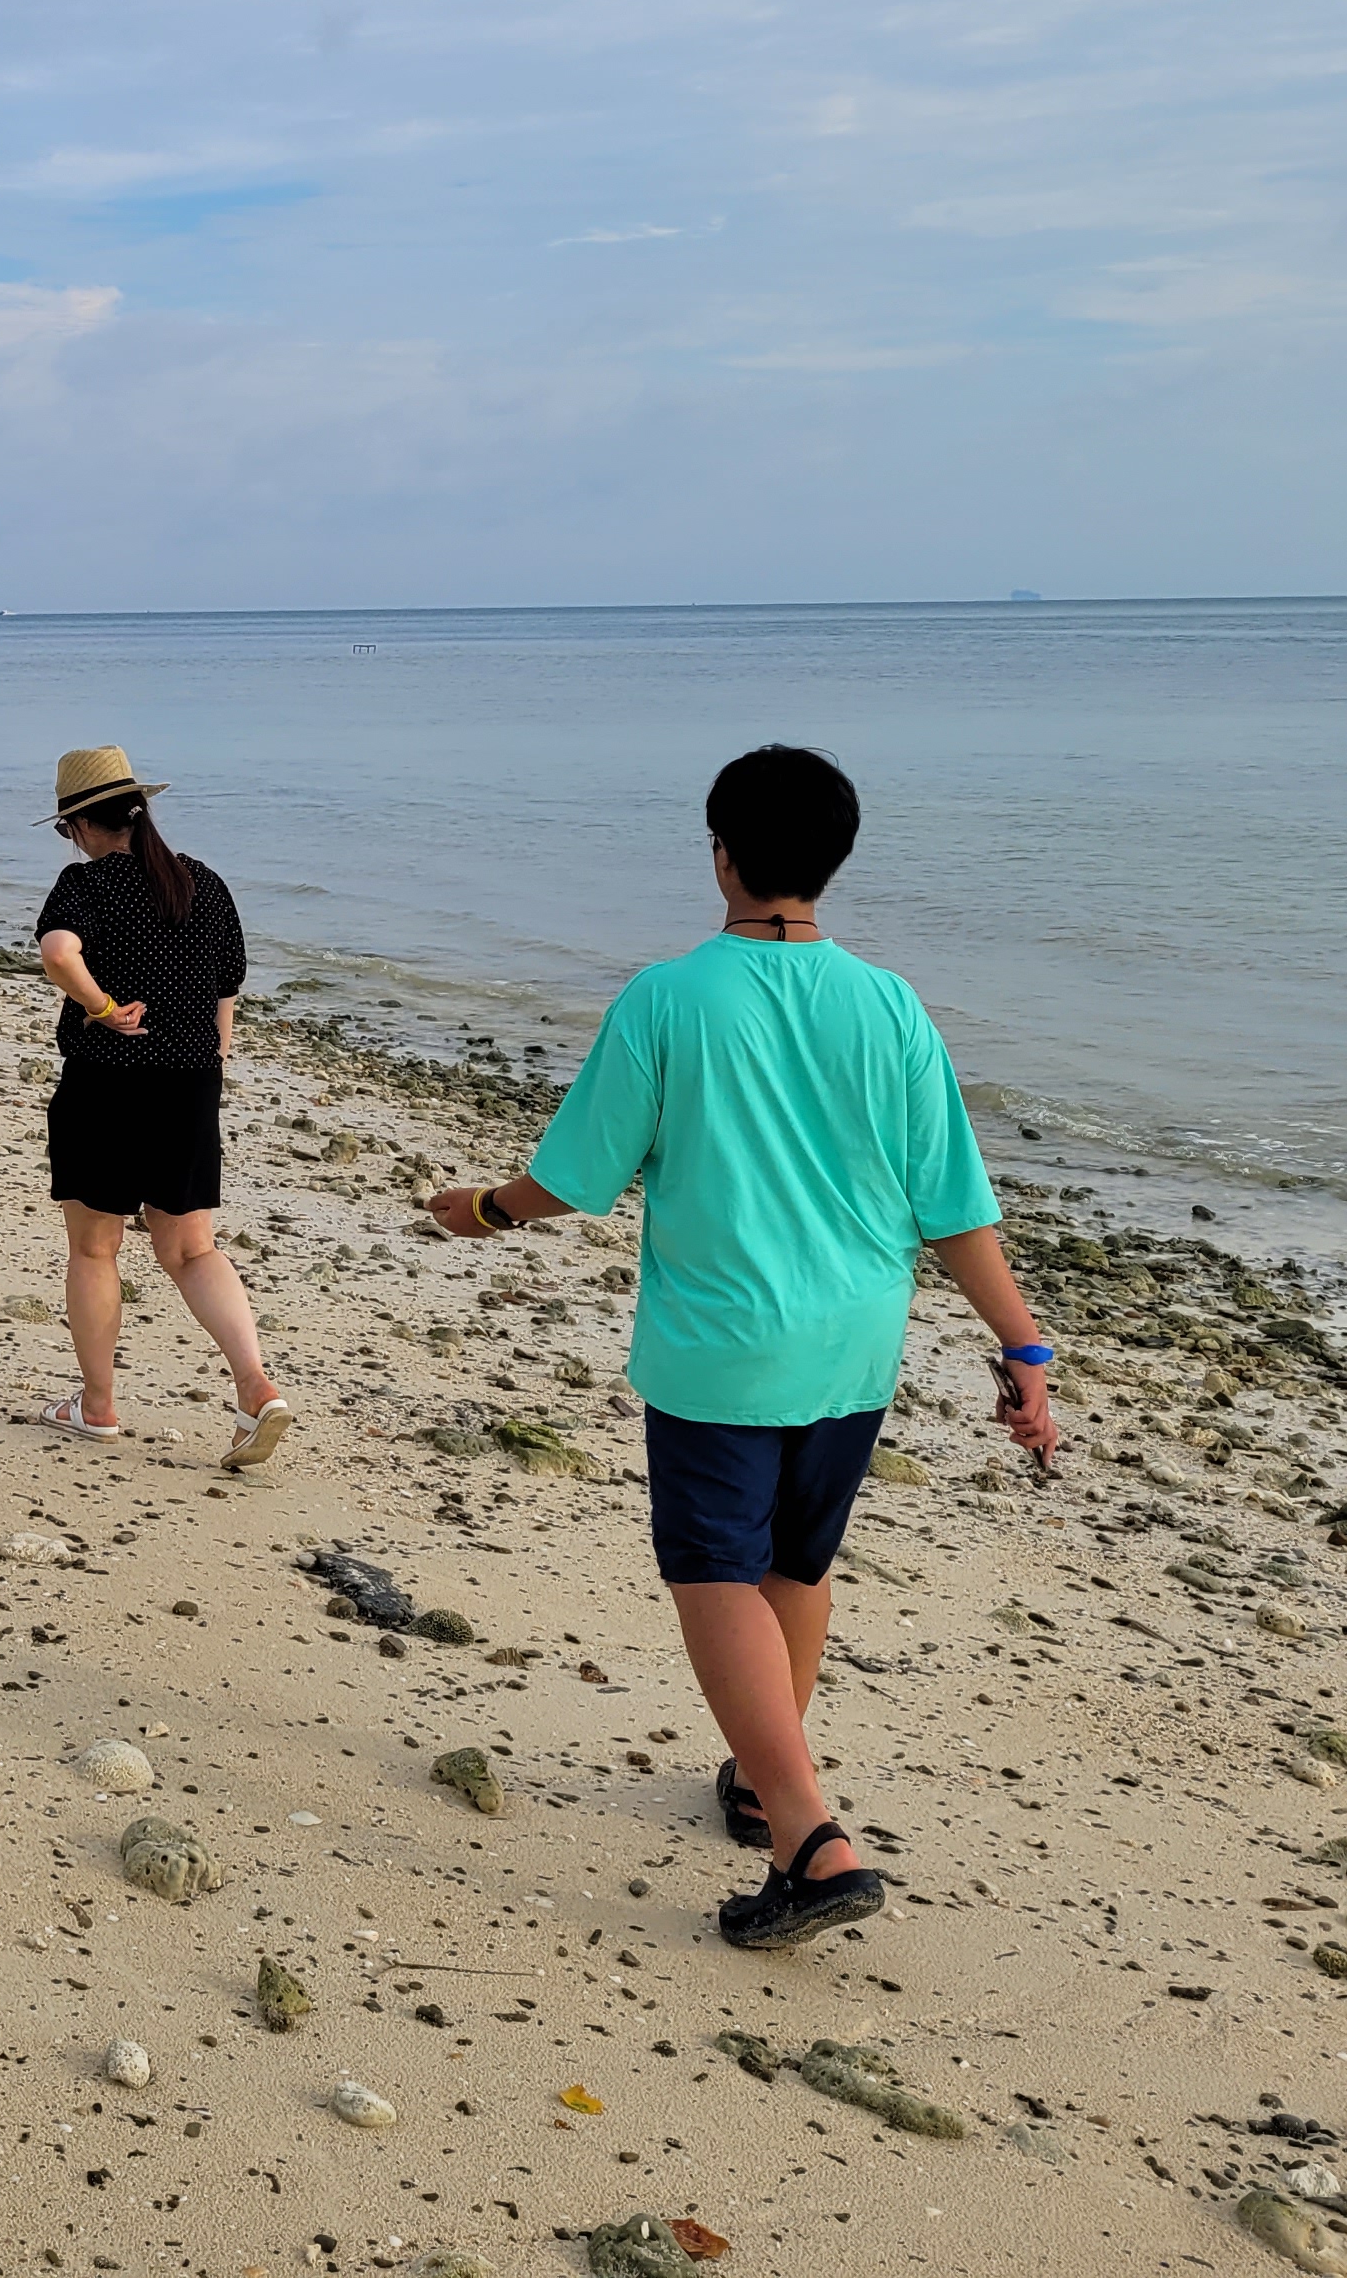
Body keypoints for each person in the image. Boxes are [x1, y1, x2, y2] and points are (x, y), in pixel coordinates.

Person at [423, 744, 1059, 1950]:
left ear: (719, 849)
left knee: (713, 1568)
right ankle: (765, 1781)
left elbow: (579, 1176)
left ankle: (811, 1839)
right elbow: (955, 1206)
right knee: (798, 1568)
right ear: (834, 861)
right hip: (854, 1343)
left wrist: (483, 1211)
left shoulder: (669, 997)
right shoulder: (891, 1005)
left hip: (721, 1342)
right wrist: (1023, 1352)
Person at [25, 745, 292, 1471]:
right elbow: (225, 990)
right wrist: (213, 1065)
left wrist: (102, 1007)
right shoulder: (201, 884)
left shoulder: (87, 885)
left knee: (94, 1246)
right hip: (188, 1084)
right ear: (141, 811)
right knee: (191, 1248)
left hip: (105, 1082)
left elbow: (56, 952)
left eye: (66, 829)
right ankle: (254, 1387)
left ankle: (98, 1405)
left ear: (80, 823)